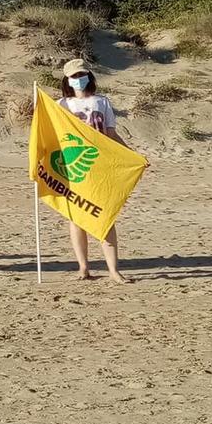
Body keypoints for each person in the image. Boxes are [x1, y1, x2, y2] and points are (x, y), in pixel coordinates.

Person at [57, 58, 140, 284]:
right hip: (75, 169)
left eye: (81, 75)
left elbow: (111, 133)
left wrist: (132, 155)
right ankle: (83, 267)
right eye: (74, 76)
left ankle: (113, 270)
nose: (78, 79)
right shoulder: (61, 105)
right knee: (77, 218)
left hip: (101, 166)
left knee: (106, 216)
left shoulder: (102, 102)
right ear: (67, 79)